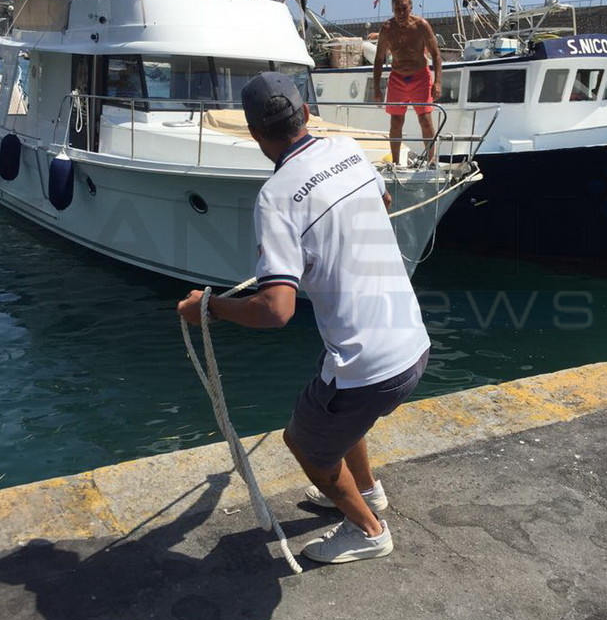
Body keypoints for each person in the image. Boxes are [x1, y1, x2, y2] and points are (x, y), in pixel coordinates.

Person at [177, 72, 430, 565]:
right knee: (336, 406)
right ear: (307, 113)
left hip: (371, 366)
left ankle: (369, 530)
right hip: (413, 342)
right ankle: (368, 489)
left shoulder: (275, 197)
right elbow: (384, 201)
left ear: (254, 134)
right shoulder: (348, 149)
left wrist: (207, 309)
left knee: (306, 444)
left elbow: (276, 310)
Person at [373, 0, 442, 164]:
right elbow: (379, 59)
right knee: (396, 121)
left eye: (404, 8)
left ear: (410, 7)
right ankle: (396, 163)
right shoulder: (387, 29)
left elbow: (436, 55)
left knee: (425, 120)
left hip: (420, 76)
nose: (401, 13)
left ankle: (431, 160)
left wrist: (438, 82)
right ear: (392, 9)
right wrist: (376, 88)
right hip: (398, 78)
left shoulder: (421, 26)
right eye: (397, 9)